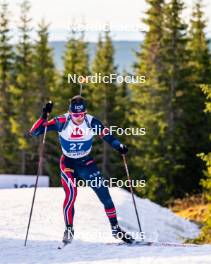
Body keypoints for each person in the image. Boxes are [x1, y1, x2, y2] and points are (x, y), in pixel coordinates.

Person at [29, 95, 134, 244]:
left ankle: (116, 230)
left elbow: (108, 136)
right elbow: (34, 132)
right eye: (75, 115)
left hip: (86, 163)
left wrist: (119, 146)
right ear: (70, 113)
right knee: (71, 194)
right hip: (68, 163)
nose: (79, 118)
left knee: (105, 196)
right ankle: (69, 229)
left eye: (82, 114)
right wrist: (44, 115)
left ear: (85, 112)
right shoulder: (62, 121)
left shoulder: (91, 122)